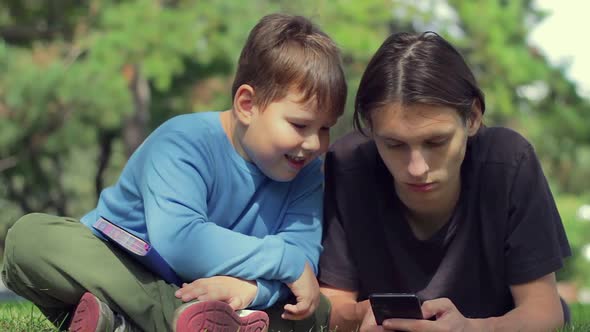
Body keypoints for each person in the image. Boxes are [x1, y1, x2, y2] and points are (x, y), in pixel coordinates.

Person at [2, 13, 346, 332]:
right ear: (247, 105)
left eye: (325, 128)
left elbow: (304, 258)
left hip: (233, 289)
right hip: (129, 270)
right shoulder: (184, 141)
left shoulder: (307, 171)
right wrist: (282, 261)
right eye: (300, 124)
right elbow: (181, 242)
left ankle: (120, 322)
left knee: (315, 308)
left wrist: (253, 290)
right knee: (28, 241)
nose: (314, 143)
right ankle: (188, 319)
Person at [318, 31, 571, 332]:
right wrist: (361, 316)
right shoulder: (348, 166)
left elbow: (543, 311)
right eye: (394, 145)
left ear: (473, 117)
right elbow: (331, 304)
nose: (416, 168)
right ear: (370, 129)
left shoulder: (509, 164)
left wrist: (472, 329)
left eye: (436, 141)